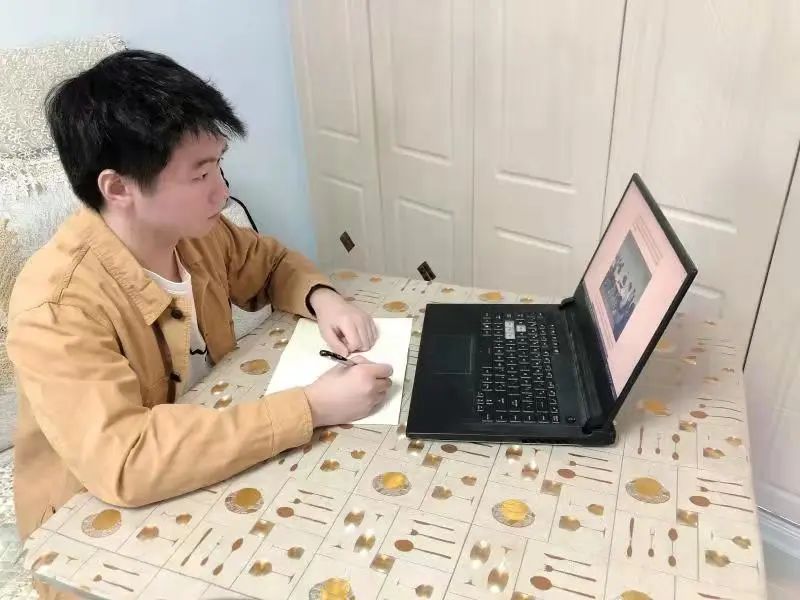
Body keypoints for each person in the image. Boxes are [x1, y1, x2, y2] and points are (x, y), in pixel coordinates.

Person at [6, 49, 392, 597]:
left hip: (206, 455)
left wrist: (324, 298)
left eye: (219, 166)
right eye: (201, 174)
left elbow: (269, 263)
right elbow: (127, 460)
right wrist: (311, 407)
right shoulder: (55, 308)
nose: (223, 192)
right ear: (118, 188)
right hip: (97, 527)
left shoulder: (196, 232)